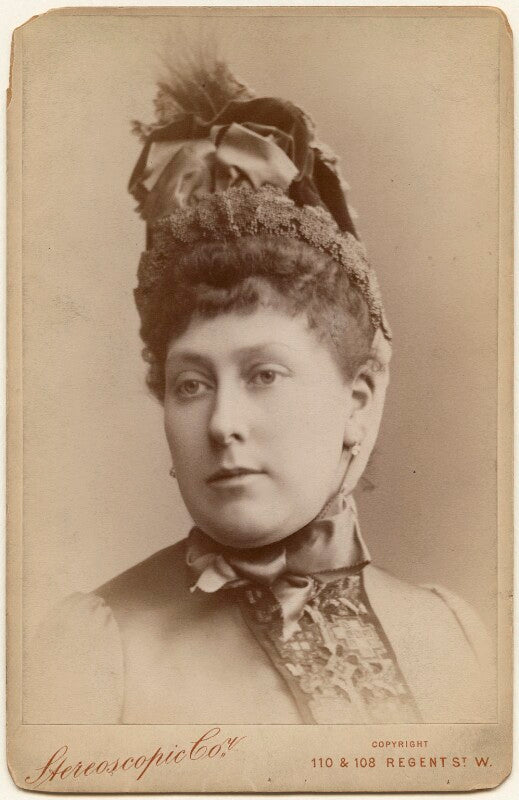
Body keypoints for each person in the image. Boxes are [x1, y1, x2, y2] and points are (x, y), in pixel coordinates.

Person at [25, 56, 494, 725]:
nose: (222, 423)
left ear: (357, 401)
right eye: (191, 384)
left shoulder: (452, 636)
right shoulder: (96, 651)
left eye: (264, 375)